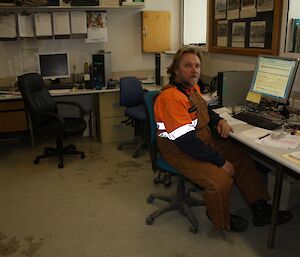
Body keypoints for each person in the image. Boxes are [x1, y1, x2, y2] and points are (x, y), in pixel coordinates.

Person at [154, 46, 293, 232]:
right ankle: (221, 220)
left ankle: (260, 208)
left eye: (197, 65)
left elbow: (204, 108)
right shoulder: (171, 98)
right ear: (176, 70)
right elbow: (186, 142)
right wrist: (220, 162)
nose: (194, 70)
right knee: (220, 180)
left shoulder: (191, 88)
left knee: (241, 158)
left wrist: (219, 120)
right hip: (179, 150)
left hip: (201, 141)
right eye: (188, 65)